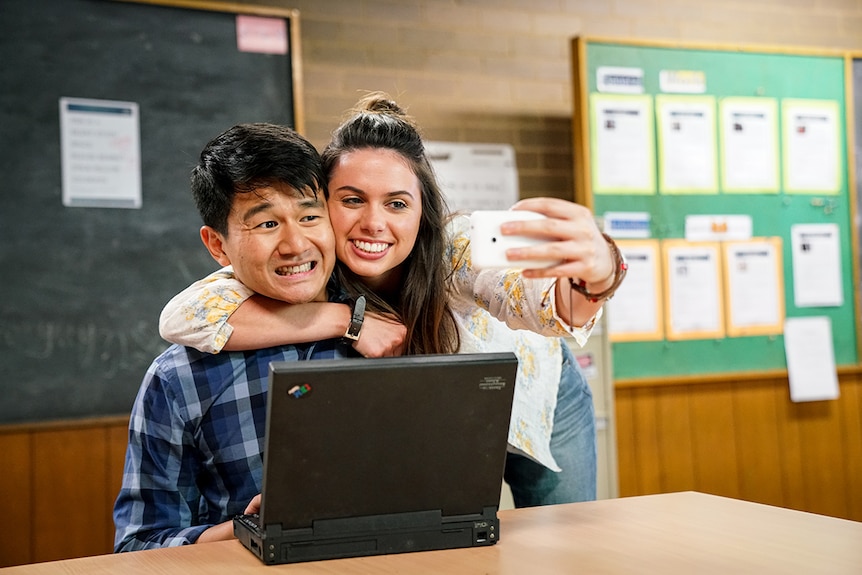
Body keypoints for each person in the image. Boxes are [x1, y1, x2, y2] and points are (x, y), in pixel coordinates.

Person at [160, 94, 626, 506]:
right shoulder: (308, 257)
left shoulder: (456, 245)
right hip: (450, 408)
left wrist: (598, 271)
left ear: (424, 210)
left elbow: (545, 304)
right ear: (321, 203)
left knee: (564, 535)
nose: (374, 223)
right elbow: (185, 318)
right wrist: (346, 319)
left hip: (537, 393)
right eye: (352, 200)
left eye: (397, 203)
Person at [113, 123, 406, 552]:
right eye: (267, 223)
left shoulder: (397, 325)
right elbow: (139, 545)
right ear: (218, 245)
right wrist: (243, 530)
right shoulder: (177, 381)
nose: (294, 244)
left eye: (310, 216)